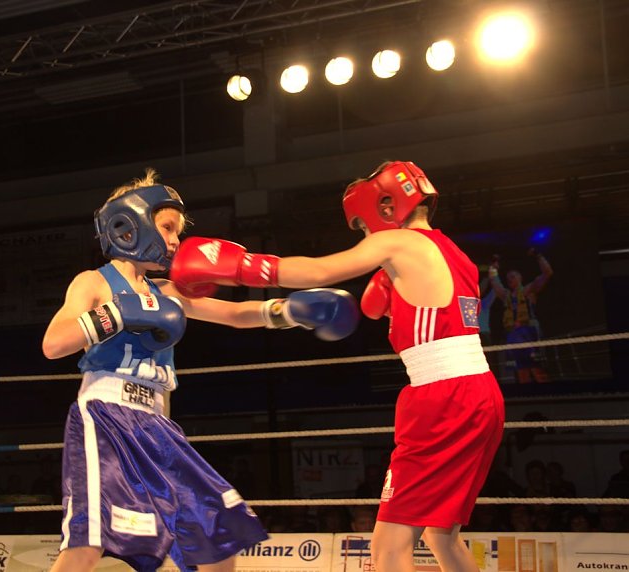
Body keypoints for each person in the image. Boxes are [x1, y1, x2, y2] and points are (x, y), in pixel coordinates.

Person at [169, 160, 505, 572]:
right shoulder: (454, 254)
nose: (365, 236)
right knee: (442, 536)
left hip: (444, 399)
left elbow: (320, 270)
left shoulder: (399, 242)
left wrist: (239, 266)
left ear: (385, 208)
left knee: (389, 548)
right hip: (479, 393)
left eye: (362, 227)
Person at [41, 168, 359, 572]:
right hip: (106, 418)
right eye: (168, 228)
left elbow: (235, 315)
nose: (176, 241)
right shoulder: (93, 283)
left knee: (216, 542)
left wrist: (289, 311)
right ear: (130, 225)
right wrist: (117, 313)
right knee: (88, 545)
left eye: (178, 231)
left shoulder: (166, 292)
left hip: (159, 427)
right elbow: (53, 343)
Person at [488, 248, 553, 383]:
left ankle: (547, 393)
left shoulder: (529, 290)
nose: (509, 279)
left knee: (537, 369)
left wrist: (538, 255)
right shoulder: (505, 295)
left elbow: (547, 273)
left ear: (520, 278)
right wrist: (494, 265)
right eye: (508, 278)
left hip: (529, 332)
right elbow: (494, 280)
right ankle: (527, 394)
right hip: (513, 335)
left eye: (513, 276)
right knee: (521, 371)